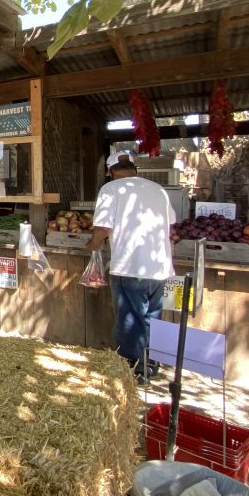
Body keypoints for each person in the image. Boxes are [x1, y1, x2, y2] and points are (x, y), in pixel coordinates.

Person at [88, 150, 176, 382]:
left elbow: (103, 228)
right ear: (135, 169)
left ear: (110, 171)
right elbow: (171, 223)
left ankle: (133, 372)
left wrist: (93, 244)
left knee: (130, 320)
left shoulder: (110, 189)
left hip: (130, 266)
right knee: (152, 319)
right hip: (160, 268)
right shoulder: (158, 189)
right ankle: (150, 366)